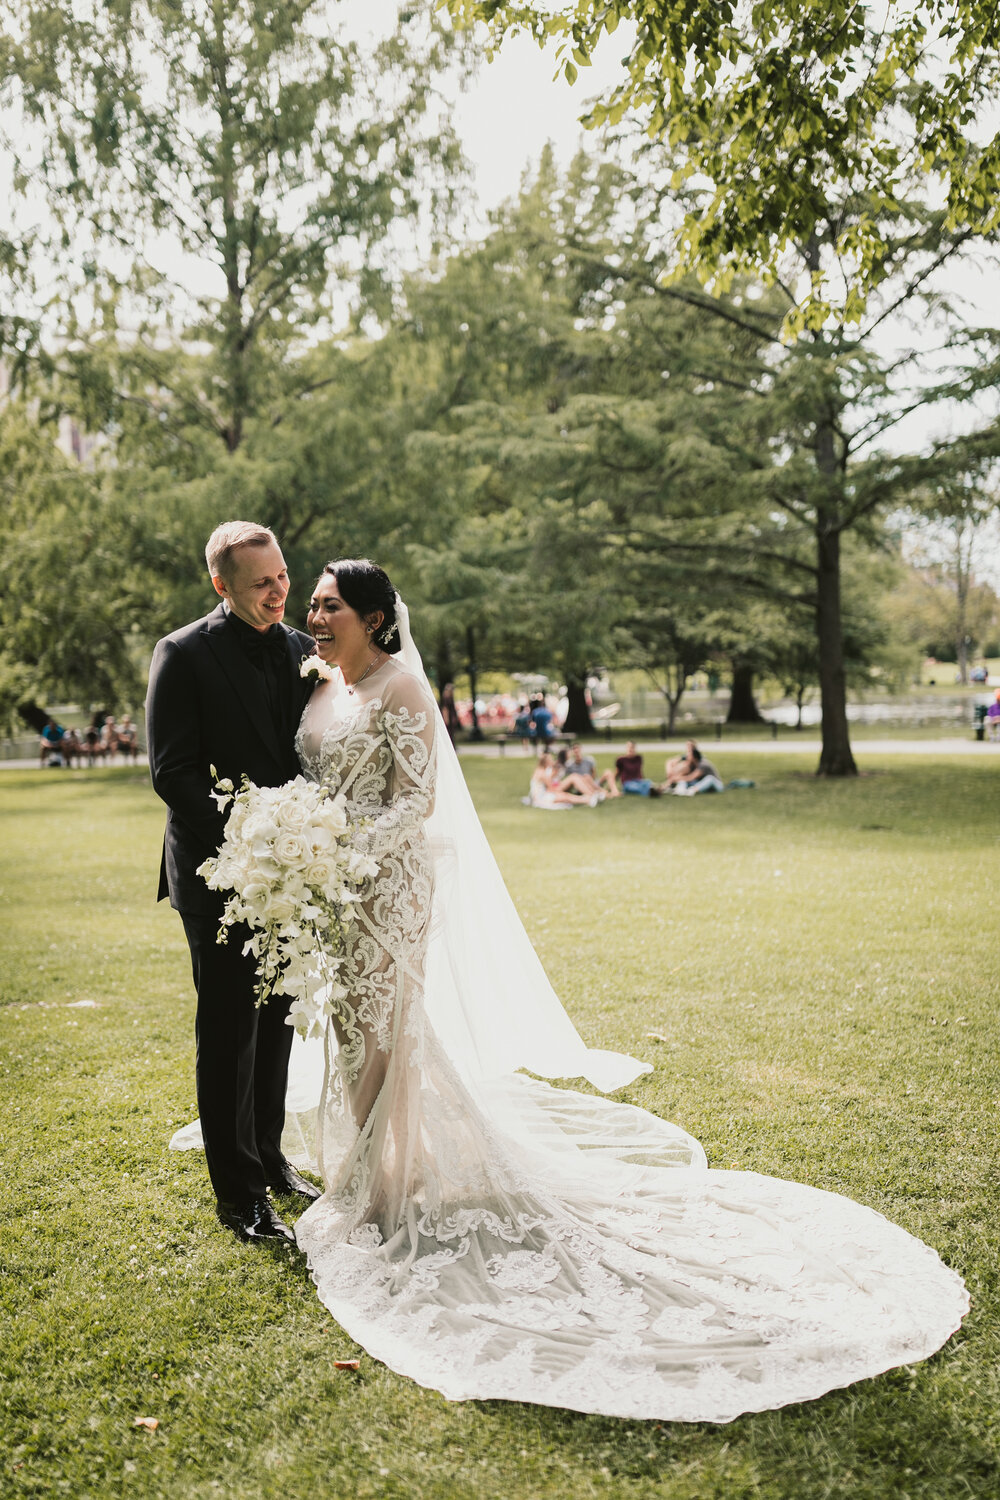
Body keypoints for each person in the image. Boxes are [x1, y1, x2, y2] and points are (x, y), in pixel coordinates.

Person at [247, 556, 967, 1421]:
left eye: (329, 606)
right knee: (360, 1031)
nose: (314, 617)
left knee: (386, 1026)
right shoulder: (320, 684)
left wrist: (343, 842)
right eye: (314, 604)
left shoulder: (403, 691)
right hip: (336, 887)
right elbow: (311, 777)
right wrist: (308, 842)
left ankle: (375, 1192)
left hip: (389, 886)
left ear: (372, 616)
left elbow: (416, 804)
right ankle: (376, 1177)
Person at [147, 520, 319, 1245]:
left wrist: (302, 844)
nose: (279, 592)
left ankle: (270, 1156)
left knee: (278, 1020)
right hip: (218, 874)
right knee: (228, 1031)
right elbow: (172, 770)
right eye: (260, 583)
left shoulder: (305, 650)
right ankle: (238, 1197)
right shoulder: (182, 654)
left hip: (297, 873)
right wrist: (250, 841)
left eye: (282, 576)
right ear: (222, 585)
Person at [528, 751, 600, 808]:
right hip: (541, 797)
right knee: (565, 796)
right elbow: (551, 788)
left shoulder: (539, 771)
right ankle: (588, 799)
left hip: (541, 795)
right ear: (546, 762)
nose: (553, 761)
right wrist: (558, 791)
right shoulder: (543, 774)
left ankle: (588, 798)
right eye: (551, 760)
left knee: (566, 796)